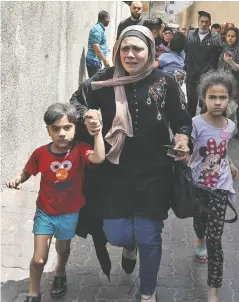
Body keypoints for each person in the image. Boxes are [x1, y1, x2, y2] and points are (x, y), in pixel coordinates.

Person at [70, 25, 192, 302]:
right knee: (116, 233)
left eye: (138, 48)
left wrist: (184, 139)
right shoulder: (102, 81)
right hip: (115, 175)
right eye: (125, 48)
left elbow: (182, 120)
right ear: (117, 51)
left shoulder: (165, 82)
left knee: (150, 235)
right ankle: (129, 246)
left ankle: (148, 291)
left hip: (155, 173)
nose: (130, 54)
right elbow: (75, 103)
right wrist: (86, 115)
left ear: (150, 50)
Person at [6, 103, 105, 302]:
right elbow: (28, 171)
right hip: (45, 212)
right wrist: (18, 178)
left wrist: (97, 133)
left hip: (70, 212)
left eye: (67, 128)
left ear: (75, 129)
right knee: (38, 258)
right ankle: (33, 292)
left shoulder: (80, 150)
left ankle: (60, 272)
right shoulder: (40, 153)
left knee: (63, 248)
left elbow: (99, 158)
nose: (61, 133)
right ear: (48, 131)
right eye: (55, 129)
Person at [187, 71, 239, 302]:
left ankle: (213, 291)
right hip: (198, 185)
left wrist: (230, 162)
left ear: (230, 99)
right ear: (203, 98)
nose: (217, 102)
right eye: (212, 97)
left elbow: (222, 148)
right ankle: (199, 239)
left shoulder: (230, 126)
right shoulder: (195, 124)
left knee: (215, 239)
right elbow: (189, 148)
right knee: (200, 222)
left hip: (220, 186)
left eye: (223, 97)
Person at [184, 11, 222, 117]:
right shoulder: (190, 35)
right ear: (198, 22)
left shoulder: (215, 37)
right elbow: (186, 52)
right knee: (191, 104)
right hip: (192, 75)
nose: (204, 24)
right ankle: (189, 128)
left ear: (210, 23)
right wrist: (186, 68)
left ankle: (203, 128)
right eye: (202, 21)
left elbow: (218, 56)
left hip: (207, 76)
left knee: (205, 104)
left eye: (206, 22)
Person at [218, 27, 239, 140]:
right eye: (228, 36)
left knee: (231, 109)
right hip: (224, 82)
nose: (230, 38)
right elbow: (220, 64)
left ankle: (227, 134)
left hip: (235, 83)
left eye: (233, 36)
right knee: (224, 107)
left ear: (237, 37)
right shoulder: (225, 47)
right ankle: (222, 130)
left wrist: (230, 62)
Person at [86, 10, 110, 78]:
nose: (109, 21)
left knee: (95, 84)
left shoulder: (99, 29)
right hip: (94, 61)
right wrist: (105, 60)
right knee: (95, 84)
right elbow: (96, 45)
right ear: (105, 18)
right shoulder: (98, 29)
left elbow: (98, 44)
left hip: (95, 61)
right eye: (109, 18)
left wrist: (105, 49)